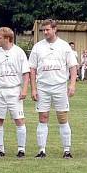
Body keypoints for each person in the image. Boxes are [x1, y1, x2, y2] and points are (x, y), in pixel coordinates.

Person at [29, 19, 78, 158]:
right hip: (43, 87)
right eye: (43, 30)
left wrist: (72, 84)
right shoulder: (38, 47)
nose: (45, 32)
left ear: (55, 29)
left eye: (47, 30)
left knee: (62, 117)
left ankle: (67, 150)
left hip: (60, 87)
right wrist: (33, 88)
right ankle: (42, 150)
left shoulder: (64, 46)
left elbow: (73, 67)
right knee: (43, 117)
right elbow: (32, 69)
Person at [0, 27, 30, 158]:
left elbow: (25, 73)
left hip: (14, 90)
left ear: (7, 38)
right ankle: (0, 149)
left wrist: (24, 89)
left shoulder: (19, 52)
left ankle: (21, 149)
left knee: (19, 119)